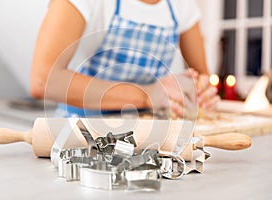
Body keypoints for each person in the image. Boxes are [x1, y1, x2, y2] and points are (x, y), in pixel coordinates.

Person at [30, 0, 220, 118]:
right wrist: (147, 95)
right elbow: (44, 80)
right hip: (81, 137)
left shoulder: (181, 4)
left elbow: (202, 77)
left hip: (146, 140)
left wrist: (199, 93)